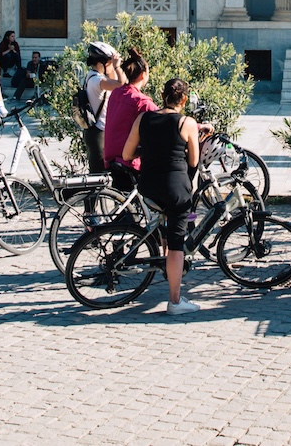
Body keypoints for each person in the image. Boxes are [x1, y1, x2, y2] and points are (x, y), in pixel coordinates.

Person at [122, 77, 203, 315]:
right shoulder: (187, 123)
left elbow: (127, 153)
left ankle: (162, 254)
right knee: (177, 244)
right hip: (175, 189)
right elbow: (194, 161)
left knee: (161, 220)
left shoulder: (143, 118)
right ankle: (175, 301)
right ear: (184, 99)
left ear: (162, 95)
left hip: (148, 186)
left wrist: (149, 148)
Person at [103, 49, 158, 190]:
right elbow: (167, 119)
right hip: (129, 160)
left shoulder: (117, 93)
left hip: (112, 156)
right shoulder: (141, 101)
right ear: (143, 75)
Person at [80, 41, 122, 173]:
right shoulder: (97, 81)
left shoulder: (92, 77)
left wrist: (111, 67)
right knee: (99, 176)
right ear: (104, 63)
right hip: (99, 133)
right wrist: (117, 67)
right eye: (110, 62)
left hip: (97, 131)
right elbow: (122, 85)